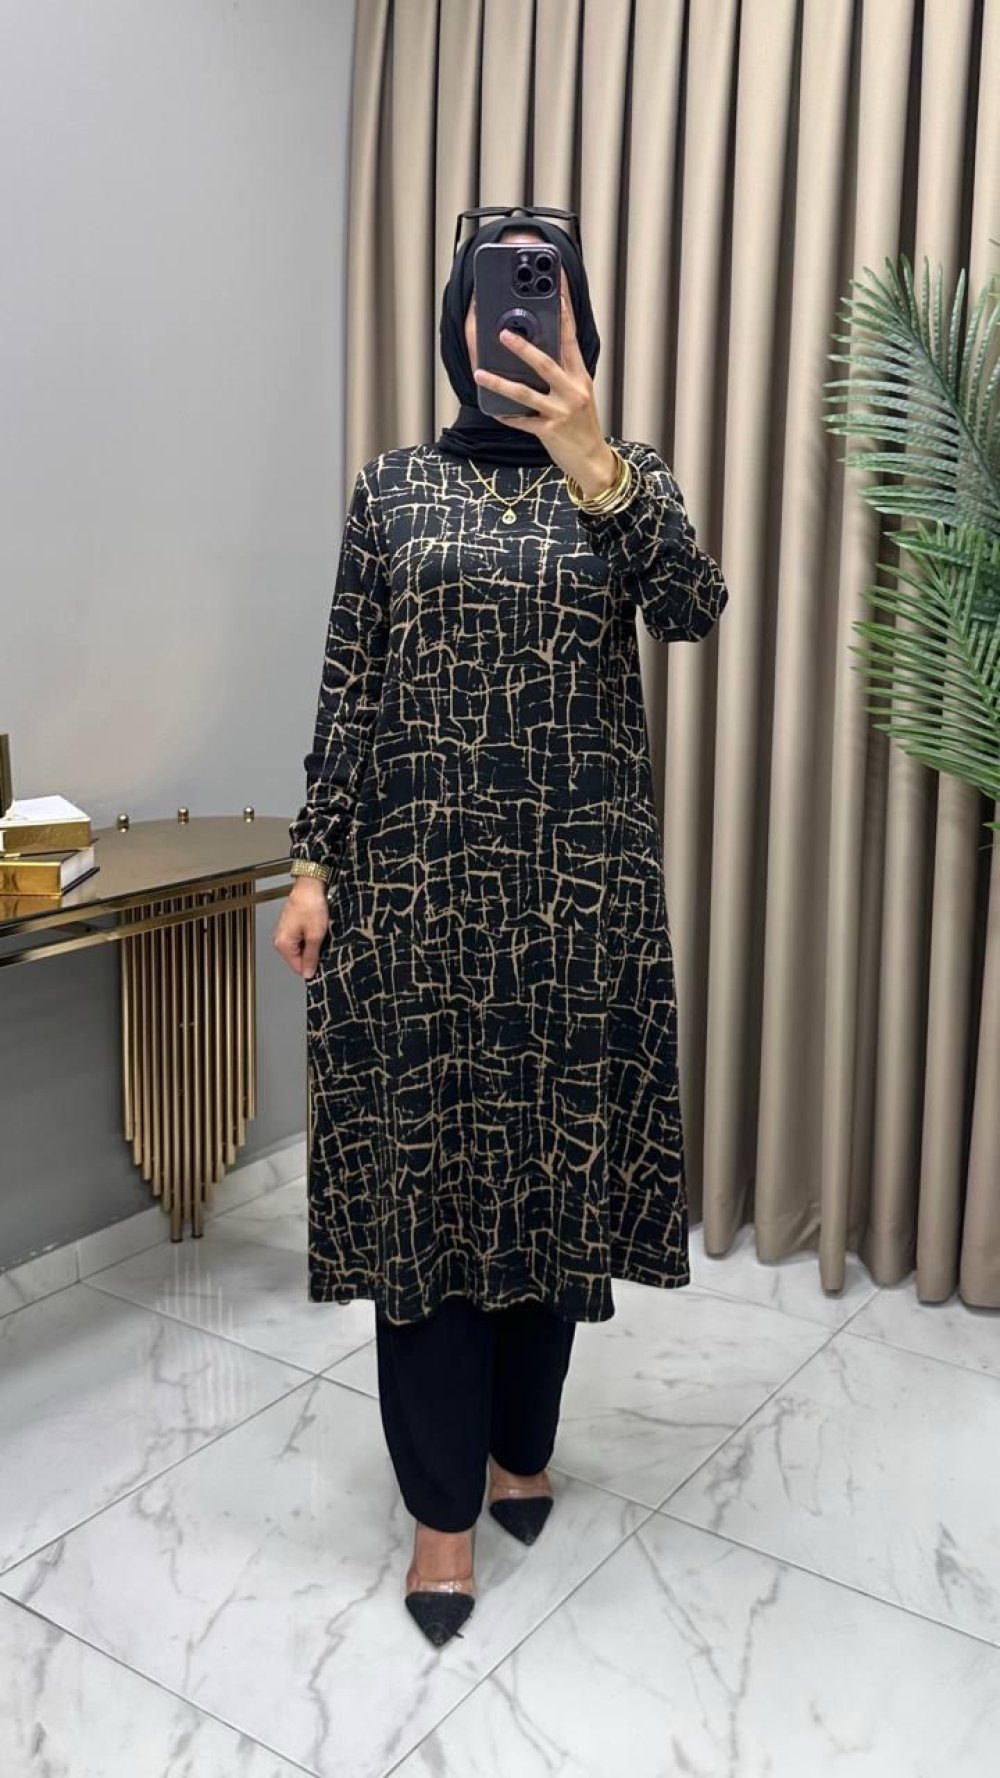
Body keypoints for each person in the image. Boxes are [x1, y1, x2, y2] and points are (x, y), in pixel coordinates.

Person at [273, 207, 729, 1648]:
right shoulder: (392, 490)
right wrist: (312, 863)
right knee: (430, 1197)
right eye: (498, 294)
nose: (520, 320)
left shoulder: (622, 480)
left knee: (552, 1183)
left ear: (576, 321)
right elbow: (350, 686)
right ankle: (440, 1513)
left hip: (577, 911)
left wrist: (596, 461)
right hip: (417, 908)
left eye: (546, 296)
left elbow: (695, 607)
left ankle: (523, 1444)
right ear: (459, 321)